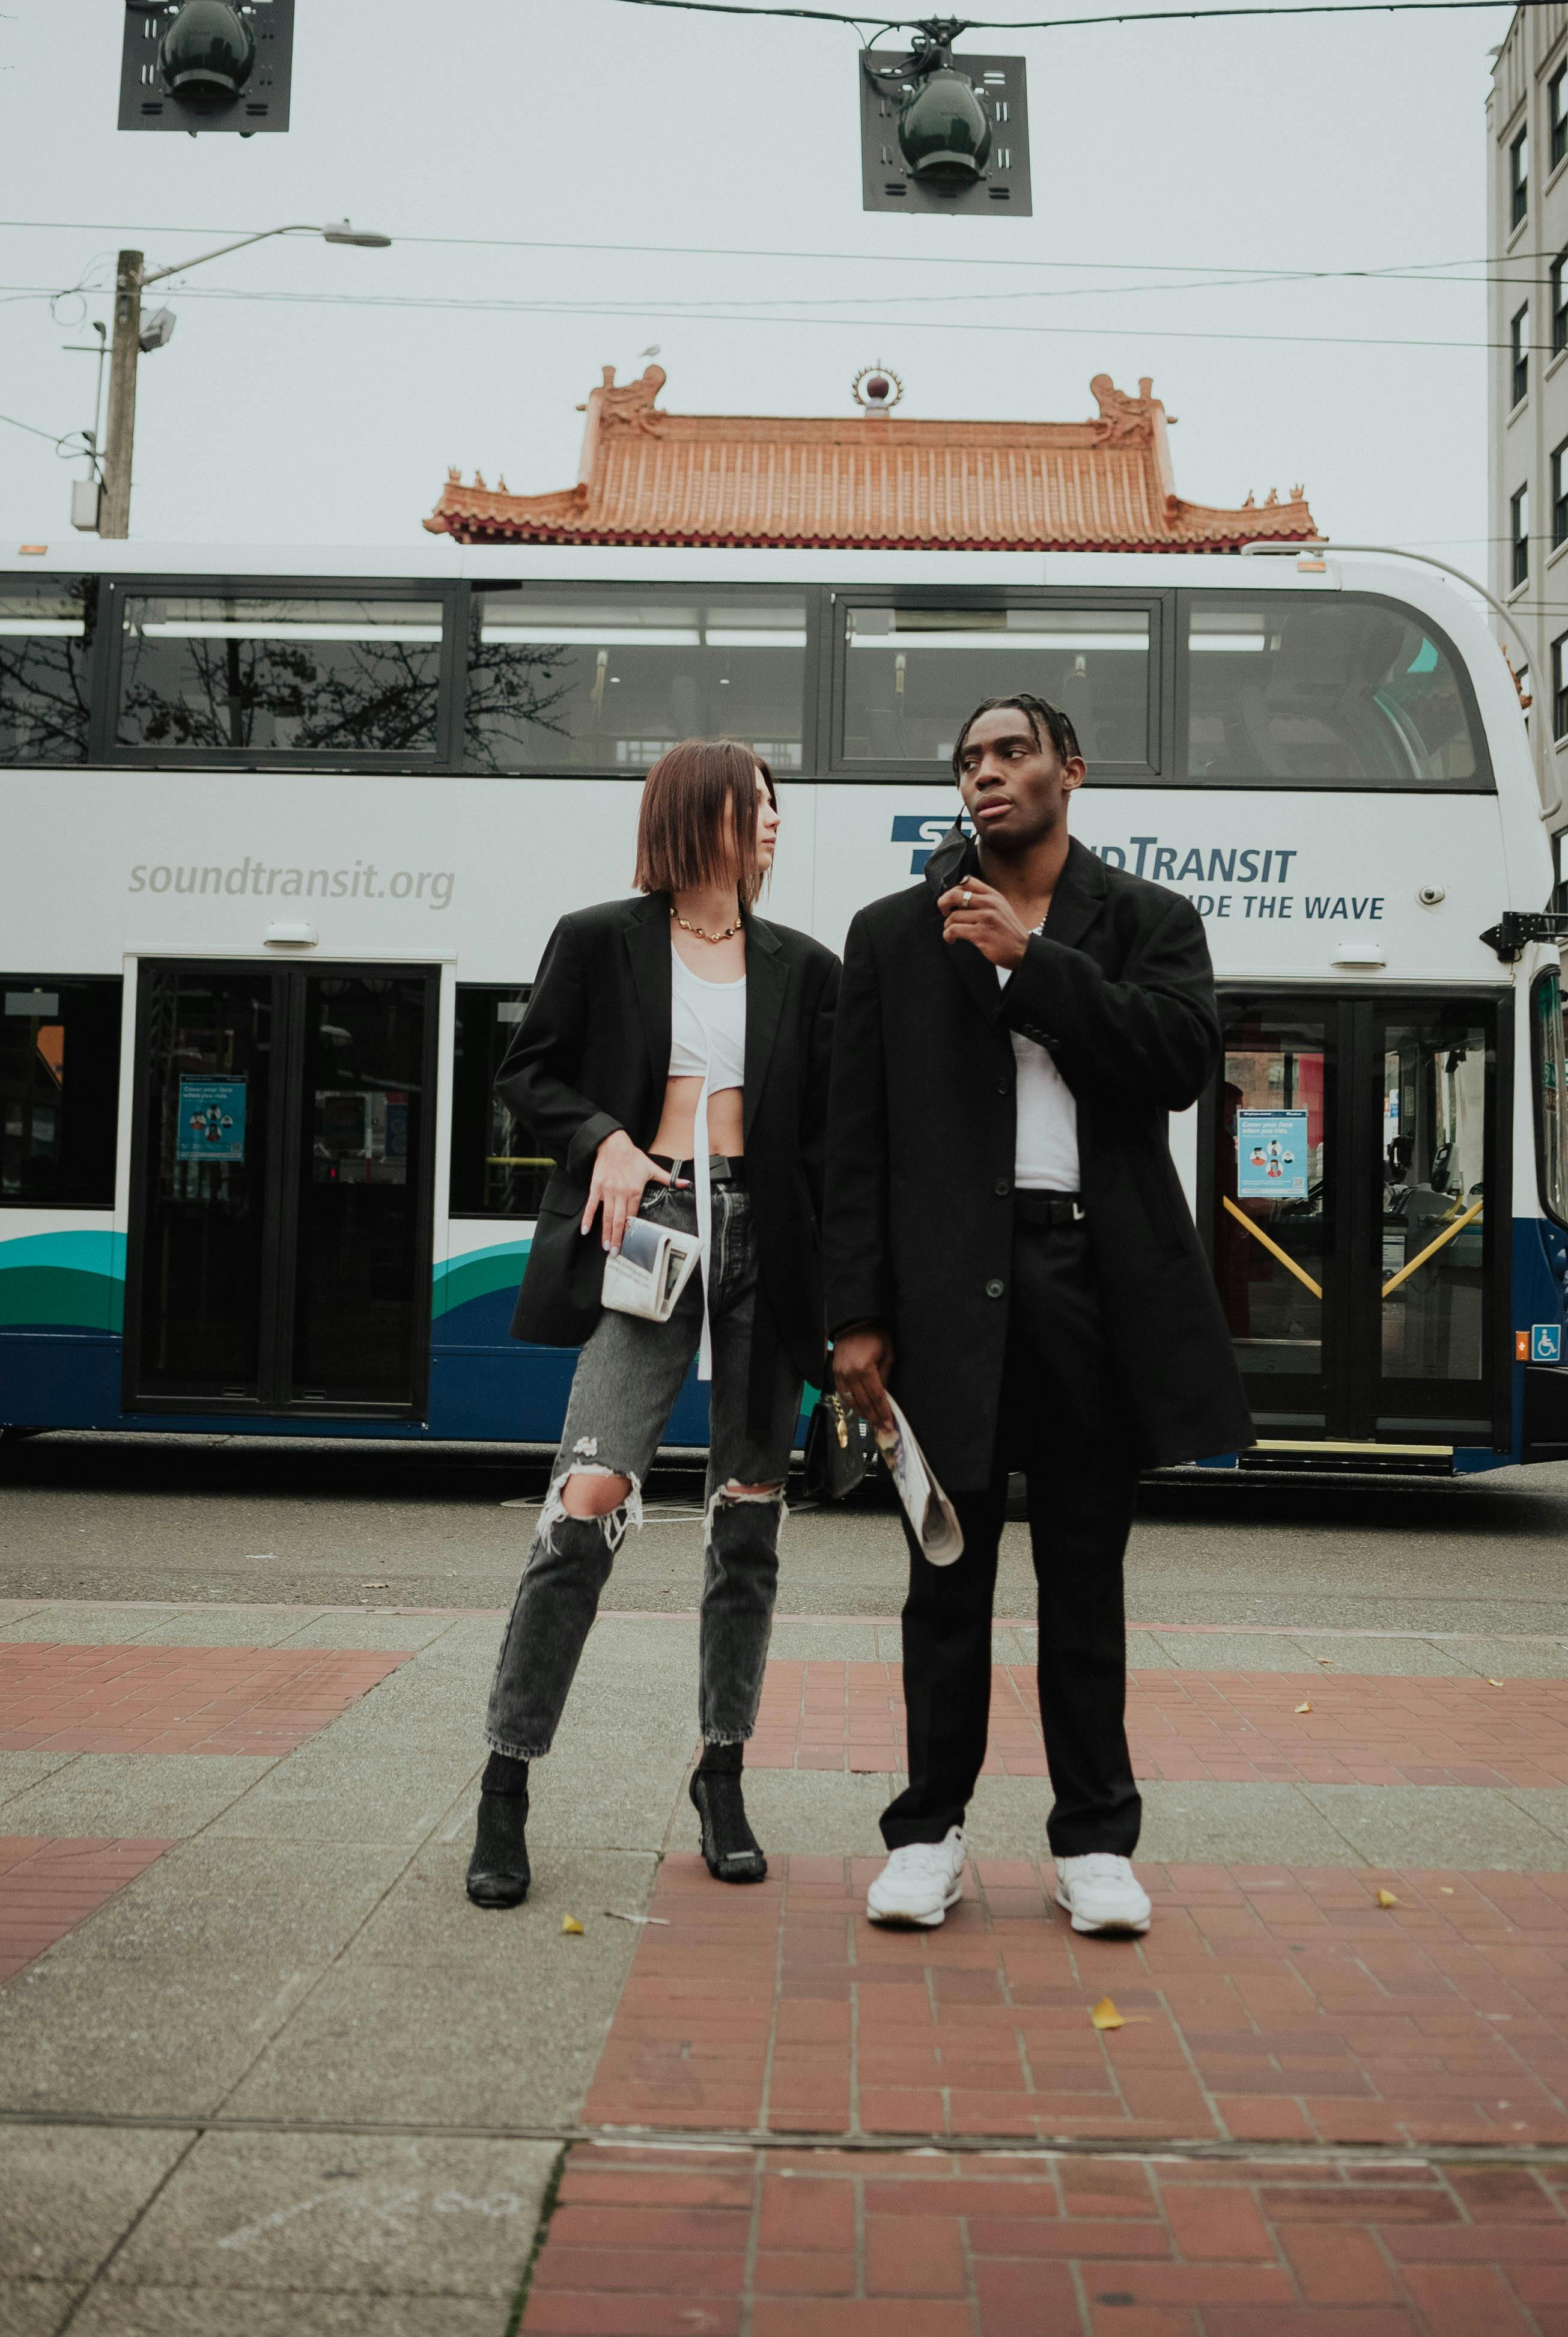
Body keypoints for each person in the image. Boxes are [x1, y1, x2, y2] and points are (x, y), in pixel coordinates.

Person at [825, 693, 1253, 1937]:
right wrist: (856, 1312)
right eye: (967, 759)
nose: (985, 774)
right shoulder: (894, 933)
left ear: (1073, 766)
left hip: (1092, 1285)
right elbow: (854, 1141)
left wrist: (1030, 959)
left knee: (1085, 1575)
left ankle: (1095, 1842)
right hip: (945, 1292)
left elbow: (1176, 1063)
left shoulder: (1150, 921)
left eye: (1011, 752)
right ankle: (926, 1835)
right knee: (943, 1577)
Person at [468, 739, 839, 1907]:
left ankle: (721, 1771)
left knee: (748, 1517)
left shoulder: (805, 966)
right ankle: (507, 1777)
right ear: (699, 816)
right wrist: (608, 1139)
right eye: (755, 803)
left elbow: (836, 1134)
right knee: (589, 1499)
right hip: (649, 1222)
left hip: (766, 1239)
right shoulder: (600, 939)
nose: (775, 820)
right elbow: (527, 1074)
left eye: (779, 806)